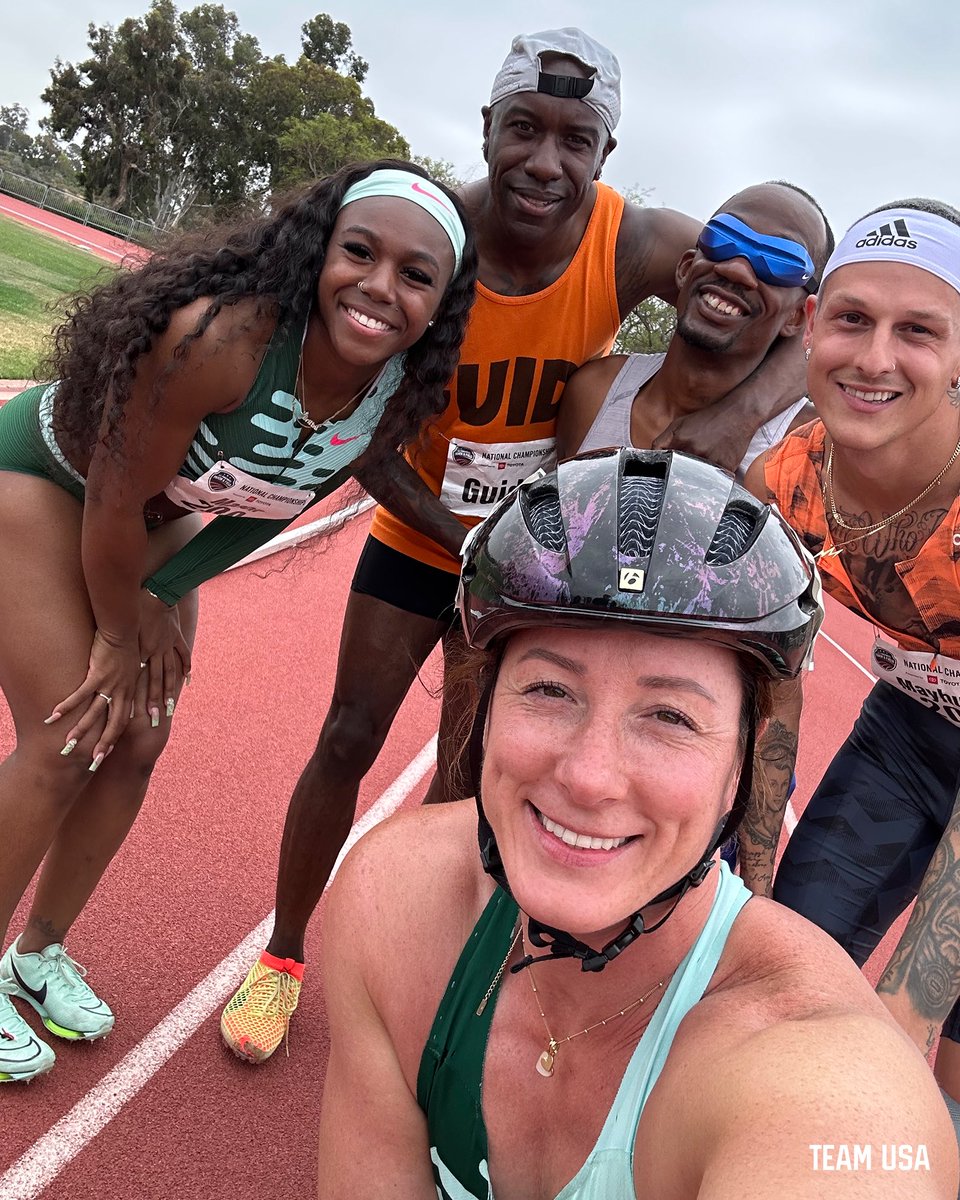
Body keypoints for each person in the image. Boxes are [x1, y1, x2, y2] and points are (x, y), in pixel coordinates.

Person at [223, 27, 812, 1064]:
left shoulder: (636, 244)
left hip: (547, 560)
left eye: (575, 141)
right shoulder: (435, 231)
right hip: (430, 529)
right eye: (523, 132)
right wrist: (466, 539)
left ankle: (441, 977)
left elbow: (794, 321)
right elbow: (358, 429)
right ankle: (280, 956)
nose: (545, 163)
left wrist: (734, 420)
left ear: (605, 154)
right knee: (351, 733)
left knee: (478, 772)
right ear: (487, 130)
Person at [316, 447, 956, 1199]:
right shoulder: (391, 898)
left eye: (669, 715)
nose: (589, 777)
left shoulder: (835, 1092)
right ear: (485, 706)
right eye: (550, 689)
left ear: (741, 772)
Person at [0, 158, 478, 1083]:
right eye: (360, 253)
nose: (381, 288)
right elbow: (107, 494)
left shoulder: (393, 392)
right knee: (69, 733)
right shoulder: (220, 339)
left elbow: (270, 508)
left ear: (441, 301)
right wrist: (118, 621)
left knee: (140, 738)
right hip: (48, 479)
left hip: (156, 525)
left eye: (416, 276)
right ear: (318, 252)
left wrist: (167, 587)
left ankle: (36, 954)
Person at [742, 198, 960, 1154]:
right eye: (853, 319)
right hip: (912, 732)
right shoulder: (784, 479)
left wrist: (912, 1005)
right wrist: (747, 876)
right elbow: (775, 678)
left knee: (932, 1045)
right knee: (779, 965)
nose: (875, 358)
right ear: (809, 326)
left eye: (918, 331)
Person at [557, 181, 833, 476]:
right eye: (724, 236)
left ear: (797, 317)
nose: (736, 269)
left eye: (780, 260)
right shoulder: (594, 394)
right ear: (686, 267)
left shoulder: (813, 452)